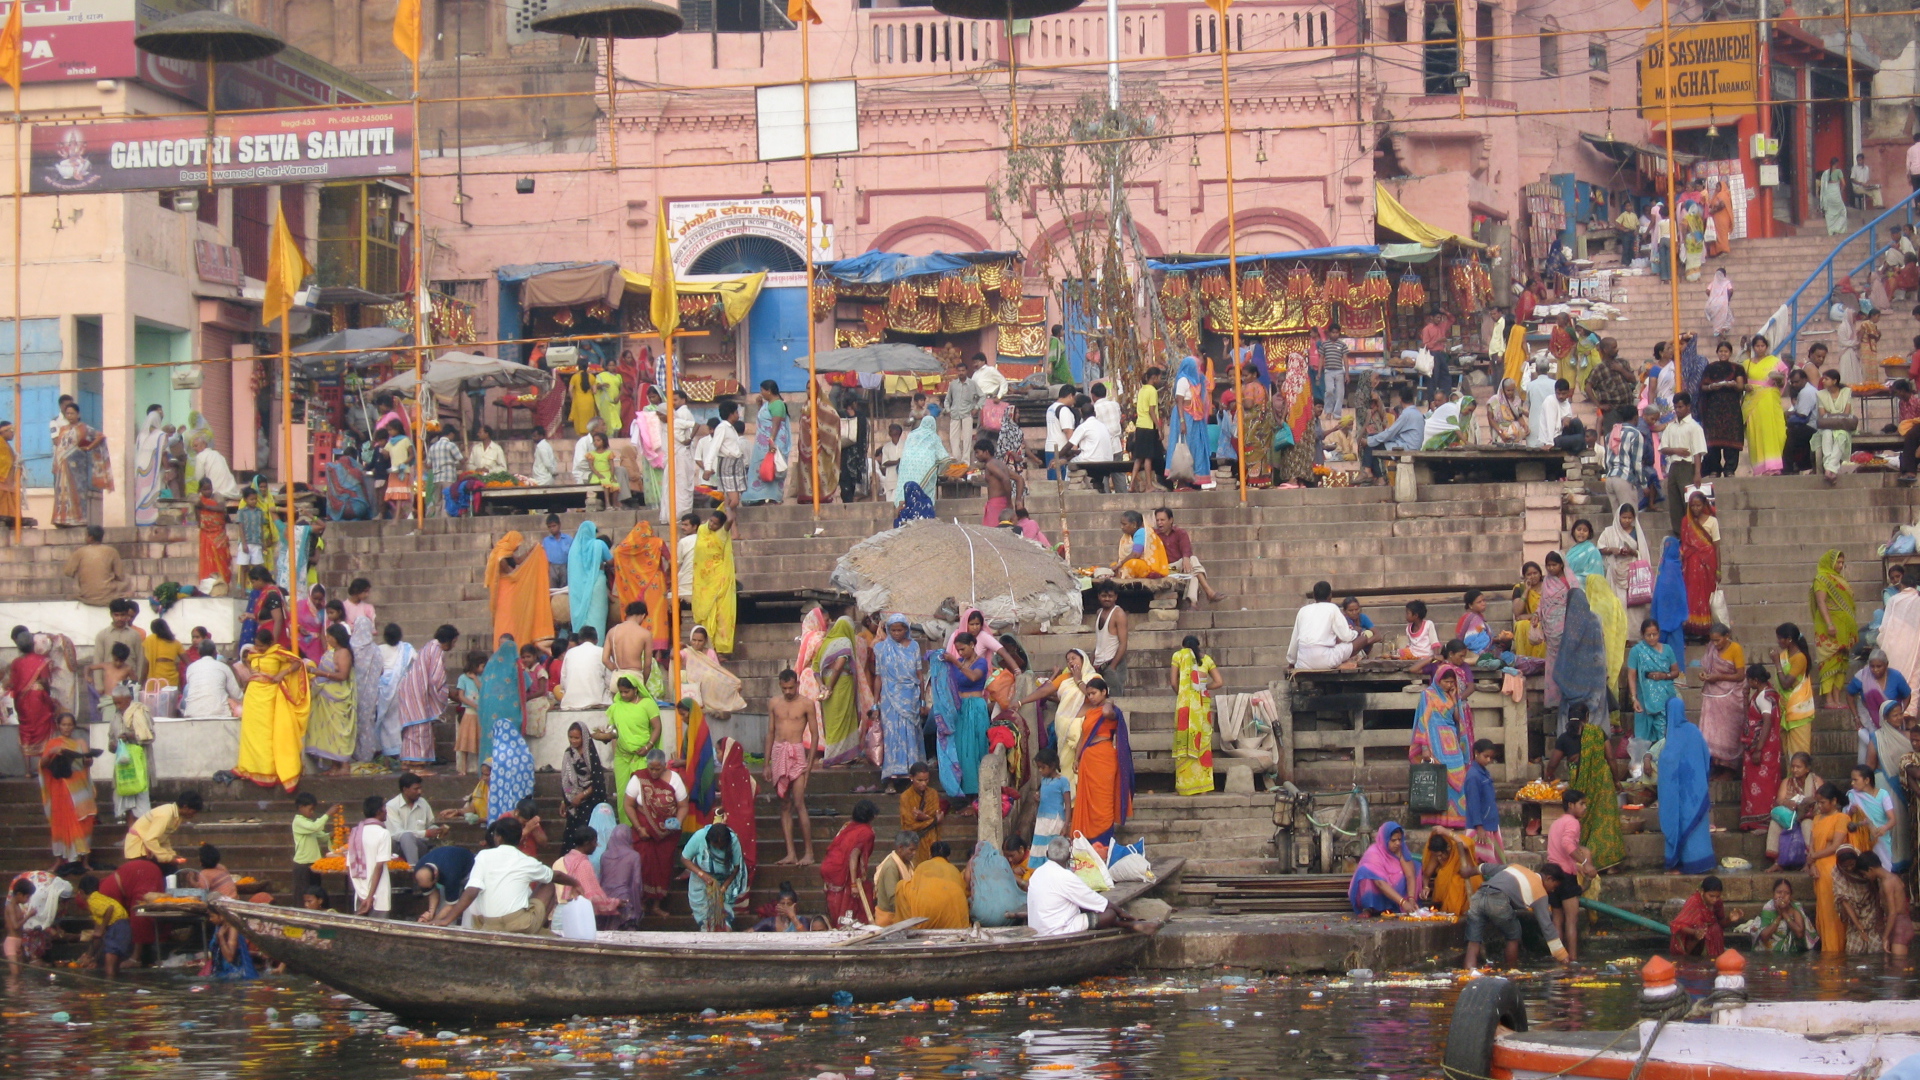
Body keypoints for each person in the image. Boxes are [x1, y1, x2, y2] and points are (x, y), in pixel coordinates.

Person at [233, 627, 311, 794]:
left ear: (270, 643)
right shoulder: (253, 654)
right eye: (256, 645)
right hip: (253, 697)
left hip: (270, 696)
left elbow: (297, 662)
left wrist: (283, 673)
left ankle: (269, 771)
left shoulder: (278, 652)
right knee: (252, 734)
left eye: (261, 646)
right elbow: (249, 665)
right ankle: (251, 768)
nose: (258, 648)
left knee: (267, 734)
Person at [1464, 862, 1571, 970]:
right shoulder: (1539, 892)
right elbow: (1547, 926)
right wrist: (1562, 956)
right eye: (1554, 886)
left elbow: (1486, 868)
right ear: (1549, 878)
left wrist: (1469, 871)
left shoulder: (1516, 867)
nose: (1553, 890)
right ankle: (1512, 970)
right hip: (1498, 900)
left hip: (1478, 895)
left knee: (1474, 940)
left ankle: (1469, 972)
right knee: (1513, 935)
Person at [1070, 678, 1132, 853]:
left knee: (1103, 801)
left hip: (1104, 758)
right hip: (1088, 758)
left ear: (1104, 692)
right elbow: (1083, 737)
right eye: (1088, 694)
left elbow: (1106, 713)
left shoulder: (1111, 711)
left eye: (1094, 693)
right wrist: (1076, 758)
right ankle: (1089, 845)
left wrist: (1109, 701)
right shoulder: (1090, 712)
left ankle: (1104, 844)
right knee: (1088, 803)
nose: (1091, 697)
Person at [1409, 665, 1473, 828]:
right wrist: (1425, 748)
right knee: (1439, 777)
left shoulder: (1452, 695)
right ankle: (1437, 820)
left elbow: (1458, 719)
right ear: (1438, 679)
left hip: (1451, 740)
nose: (1449, 685)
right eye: (1446, 682)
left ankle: (1456, 818)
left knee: (1459, 774)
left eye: (1452, 682)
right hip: (1434, 741)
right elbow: (1423, 721)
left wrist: (1455, 698)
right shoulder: (1427, 695)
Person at [1658, 698, 1715, 874]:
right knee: (1695, 825)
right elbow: (1706, 756)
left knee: (1680, 823)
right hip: (1696, 790)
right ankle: (1699, 862)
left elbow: (1667, 761)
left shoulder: (1672, 735)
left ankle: (1680, 864)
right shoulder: (1694, 731)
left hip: (1680, 791)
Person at [39, 712, 98, 867]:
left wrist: (89, 760)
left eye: (70, 724)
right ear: (59, 726)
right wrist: (52, 752)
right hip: (61, 789)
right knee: (61, 823)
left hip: (81, 789)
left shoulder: (80, 743)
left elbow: (86, 764)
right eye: (64, 725)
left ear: (74, 726)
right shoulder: (53, 743)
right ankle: (60, 860)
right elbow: (43, 764)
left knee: (84, 821)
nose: (67, 728)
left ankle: (85, 861)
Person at [1027, 836, 1113, 936]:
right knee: (1110, 914)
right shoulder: (1067, 876)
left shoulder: (1037, 872)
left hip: (1037, 930)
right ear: (1069, 856)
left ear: (1047, 854)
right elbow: (1102, 903)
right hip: (1058, 931)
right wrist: (1122, 913)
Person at [1169, 636, 1222, 797]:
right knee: (1203, 743)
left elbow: (1173, 683)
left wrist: (1183, 694)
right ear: (1198, 646)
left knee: (1185, 741)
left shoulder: (1178, 656)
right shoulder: (1206, 659)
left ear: (1183, 646)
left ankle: (1185, 787)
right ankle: (1203, 788)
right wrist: (1203, 687)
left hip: (1185, 706)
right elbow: (1219, 682)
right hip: (1202, 706)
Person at [1810, 550, 1859, 709]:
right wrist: (1829, 624)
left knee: (1842, 663)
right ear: (1829, 562)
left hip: (1844, 629)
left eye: (1842, 563)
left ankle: (1837, 698)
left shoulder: (1840, 579)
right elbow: (1821, 602)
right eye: (1838, 562)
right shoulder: (1821, 579)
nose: (1840, 565)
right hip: (1828, 628)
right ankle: (1828, 699)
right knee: (1829, 662)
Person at [680, 820, 747, 932]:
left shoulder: (733, 841)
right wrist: (702, 875)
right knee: (707, 921)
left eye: (721, 847)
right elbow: (684, 858)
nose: (719, 848)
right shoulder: (699, 837)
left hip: (726, 880)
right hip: (701, 880)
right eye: (716, 846)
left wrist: (724, 887)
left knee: (724, 920)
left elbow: (736, 868)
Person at [820, 799, 877, 927]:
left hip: (830, 869)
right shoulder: (866, 832)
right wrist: (853, 884)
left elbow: (833, 848)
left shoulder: (847, 826)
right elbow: (853, 856)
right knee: (849, 904)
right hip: (844, 873)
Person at [1288, 580, 1367, 670]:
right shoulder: (1332, 608)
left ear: (1314, 596)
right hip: (1325, 660)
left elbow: (1294, 640)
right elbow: (1346, 637)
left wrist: (1291, 662)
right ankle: (1338, 664)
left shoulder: (1303, 610)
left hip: (1303, 662)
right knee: (1363, 639)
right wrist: (1356, 632)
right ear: (1330, 596)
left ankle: (1337, 663)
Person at [892, 839, 969, 929]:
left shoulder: (922, 866)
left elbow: (914, 887)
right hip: (951, 918)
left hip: (924, 913)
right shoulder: (954, 870)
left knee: (901, 886)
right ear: (948, 857)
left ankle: (908, 927)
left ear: (930, 855)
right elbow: (964, 892)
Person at [1154, 507, 1225, 604]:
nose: (1159, 523)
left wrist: (1186, 558)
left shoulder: (1180, 533)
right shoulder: (1153, 535)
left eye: (1162, 520)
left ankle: (1192, 603)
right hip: (1165, 570)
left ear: (1171, 520)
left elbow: (1186, 548)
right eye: (1157, 520)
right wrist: (1187, 559)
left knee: (1193, 573)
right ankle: (1209, 592)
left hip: (1181, 569)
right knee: (1193, 561)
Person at [1348, 821, 1420, 915]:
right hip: (1380, 890)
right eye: (1393, 840)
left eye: (1399, 839)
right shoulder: (1373, 853)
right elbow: (1380, 883)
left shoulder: (1401, 850)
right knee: (1366, 872)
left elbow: (1410, 875)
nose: (1398, 843)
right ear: (1384, 840)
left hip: (1397, 892)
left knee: (1416, 868)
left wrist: (1411, 899)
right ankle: (1369, 908)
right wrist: (1403, 902)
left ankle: (1396, 906)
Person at [105, 682, 153, 822]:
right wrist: (115, 745)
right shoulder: (115, 717)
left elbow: (150, 737)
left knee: (141, 807)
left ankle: (140, 833)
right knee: (126, 807)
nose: (117, 706)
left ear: (128, 699)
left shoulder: (140, 713)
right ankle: (130, 833)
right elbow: (110, 743)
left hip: (139, 767)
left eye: (119, 703)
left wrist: (130, 736)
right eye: (115, 703)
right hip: (123, 770)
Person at [693, 511, 737, 655]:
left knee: (721, 615)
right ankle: (707, 649)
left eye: (715, 524)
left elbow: (730, 519)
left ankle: (720, 650)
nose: (711, 525)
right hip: (703, 582)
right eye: (711, 521)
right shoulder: (702, 530)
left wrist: (728, 504)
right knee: (705, 614)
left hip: (719, 580)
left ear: (721, 525)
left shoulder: (722, 534)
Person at [1680, 490, 1721, 639]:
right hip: (1691, 565)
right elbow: (1684, 545)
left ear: (1704, 505)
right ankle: (1692, 628)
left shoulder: (1712, 521)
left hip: (1707, 565)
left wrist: (1719, 570)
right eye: (1692, 506)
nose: (1695, 508)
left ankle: (1706, 630)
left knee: (1705, 595)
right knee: (1692, 595)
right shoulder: (1686, 521)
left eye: (1698, 505)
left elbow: (1716, 547)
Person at [345, 795, 393, 918]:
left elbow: (350, 867)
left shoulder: (355, 833)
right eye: (384, 808)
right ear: (378, 811)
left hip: (360, 893)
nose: (386, 811)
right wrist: (370, 897)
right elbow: (379, 866)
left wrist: (362, 894)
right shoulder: (383, 833)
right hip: (379, 894)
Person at [1670, 875, 1742, 956]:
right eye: (1711, 896)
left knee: (1714, 928)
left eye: (1718, 896)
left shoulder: (1718, 902)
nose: (1714, 900)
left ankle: (1712, 956)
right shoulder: (1694, 901)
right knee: (1701, 929)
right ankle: (1687, 957)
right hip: (1690, 937)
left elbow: (1721, 923)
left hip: (1707, 936)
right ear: (1702, 892)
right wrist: (1695, 932)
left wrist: (1729, 919)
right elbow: (1678, 925)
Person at [75, 873, 131, 977]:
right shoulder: (100, 897)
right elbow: (98, 936)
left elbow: (109, 909)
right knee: (114, 961)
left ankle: (109, 982)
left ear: (81, 892)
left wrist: (102, 928)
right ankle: (113, 979)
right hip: (123, 925)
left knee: (110, 959)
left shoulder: (92, 900)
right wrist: (91, 957)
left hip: (117, 926)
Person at [60, 524, 129, 608]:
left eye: (86, 535)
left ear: (91, 538)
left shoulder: (79, 552)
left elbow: (68, 572)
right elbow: (120, 576)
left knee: (76, 570)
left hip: (86, 596)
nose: (85, 538)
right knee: (127, 578)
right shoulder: (112, 551)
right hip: (108, 596)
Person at [1752, 876, 1818, 953]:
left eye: (1787, 893)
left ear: (1790, 896)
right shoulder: (1768, 908)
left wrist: (1784, 913)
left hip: (1793, 951)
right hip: (1770, 952)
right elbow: (1764, 936)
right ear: (1773, 893)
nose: (1782, 896)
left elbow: (1800, 934)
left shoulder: (1795, 907)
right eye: (1779, 892)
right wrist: (1779, 917)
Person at [181, 640, 242, 719]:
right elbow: (237, 695)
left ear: (199, 652)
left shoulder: (191, 668)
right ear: (215, 652)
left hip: (192, 714)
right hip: (220, 714)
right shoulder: (223, 667)